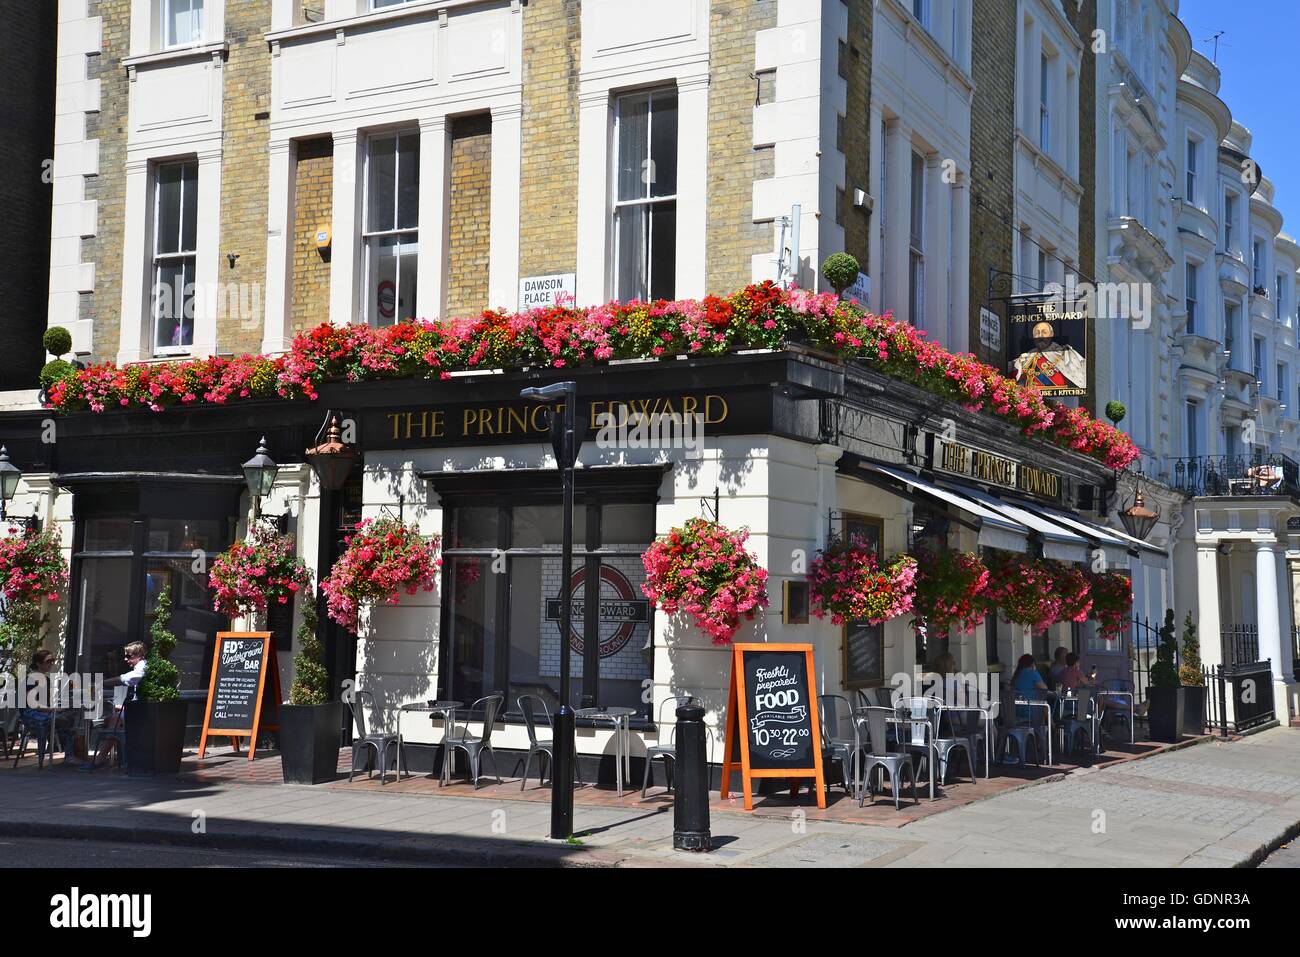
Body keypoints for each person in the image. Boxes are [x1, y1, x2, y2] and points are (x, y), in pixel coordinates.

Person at [19, 650, 78, 763]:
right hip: (30, 713)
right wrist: (54, 709)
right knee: (61, 720)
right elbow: (32, 704)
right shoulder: (31, 679)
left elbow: (46, 703)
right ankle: (67, 755)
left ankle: (66, 752)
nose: (51, 664)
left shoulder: (46, 680)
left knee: (69, 717)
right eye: (48, 661)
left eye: (53, 661)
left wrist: (60, 707)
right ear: (38, 663)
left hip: (43, 712)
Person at [1010, 653, 1047, 722]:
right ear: (1033, 663)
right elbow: (1044, 689)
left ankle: (1052, 727)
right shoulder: (1033, 673)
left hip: (1015, 710)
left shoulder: (1016, 675)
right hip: (1030, 710)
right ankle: (1051, 727)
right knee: (1044, 702)